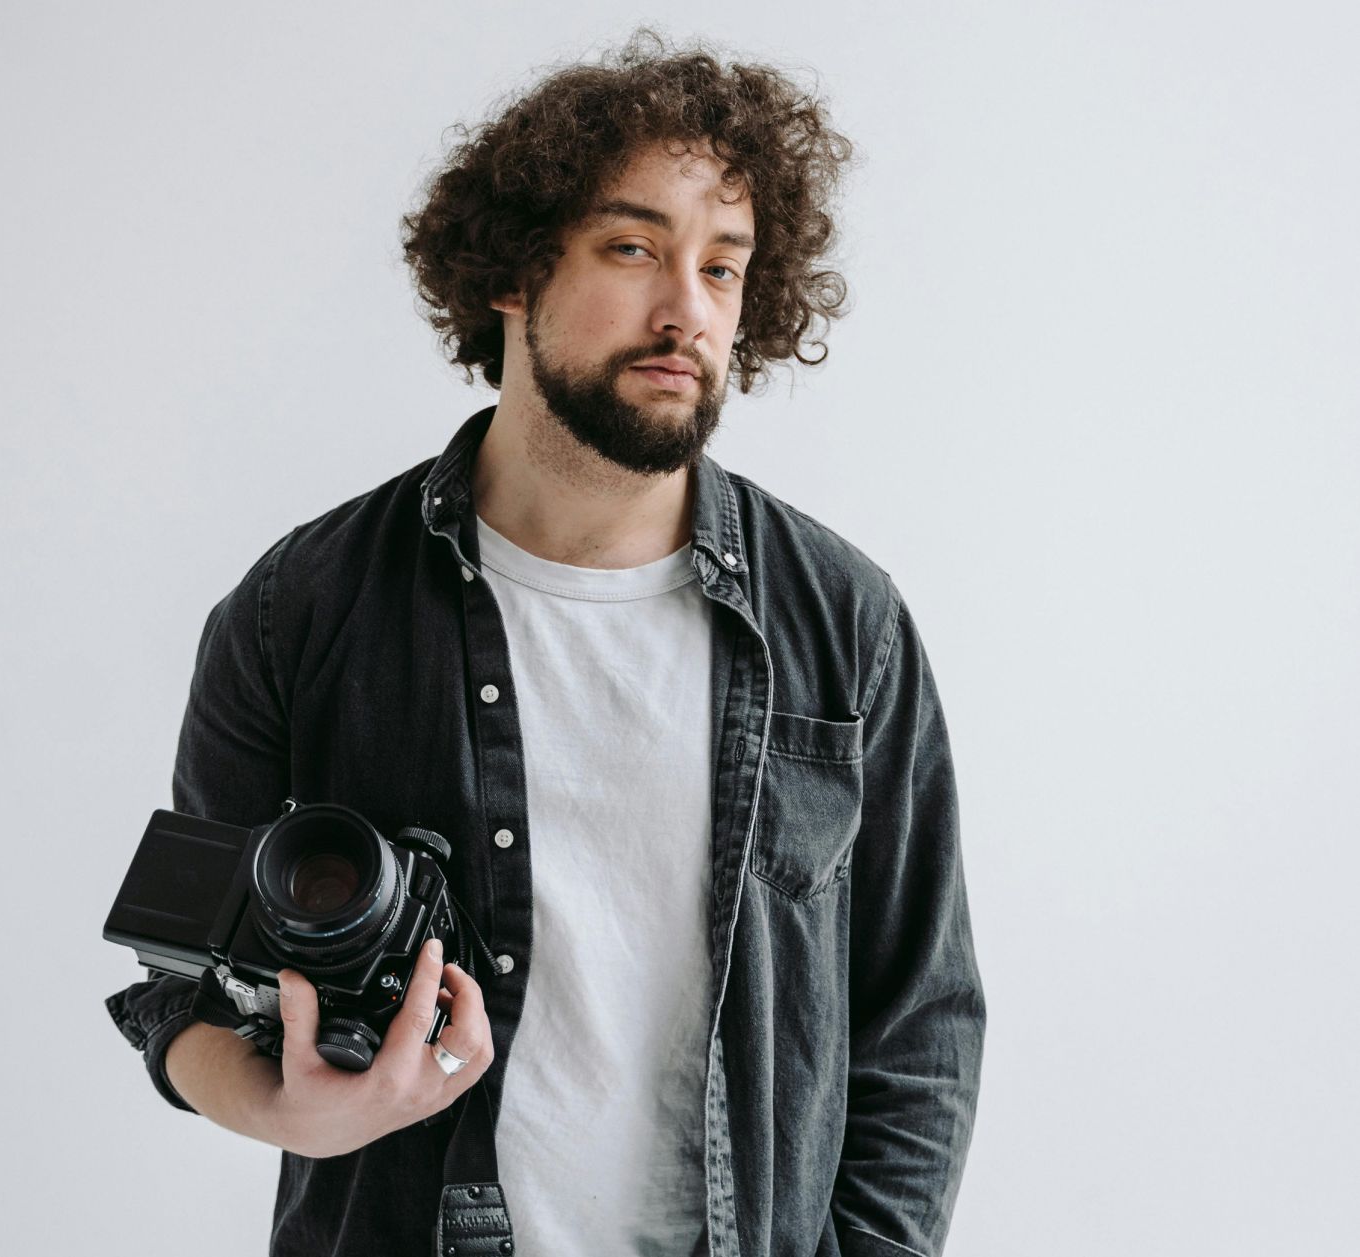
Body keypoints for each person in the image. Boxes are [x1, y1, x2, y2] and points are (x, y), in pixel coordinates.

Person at [105, 29, 985, 1257]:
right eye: (633, 249)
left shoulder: (842, 621)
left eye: (722, 268)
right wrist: (280, 1105)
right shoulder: (300, 607)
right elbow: (184, 981)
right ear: (514, 272)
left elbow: (918, 1022)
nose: (687, 311)